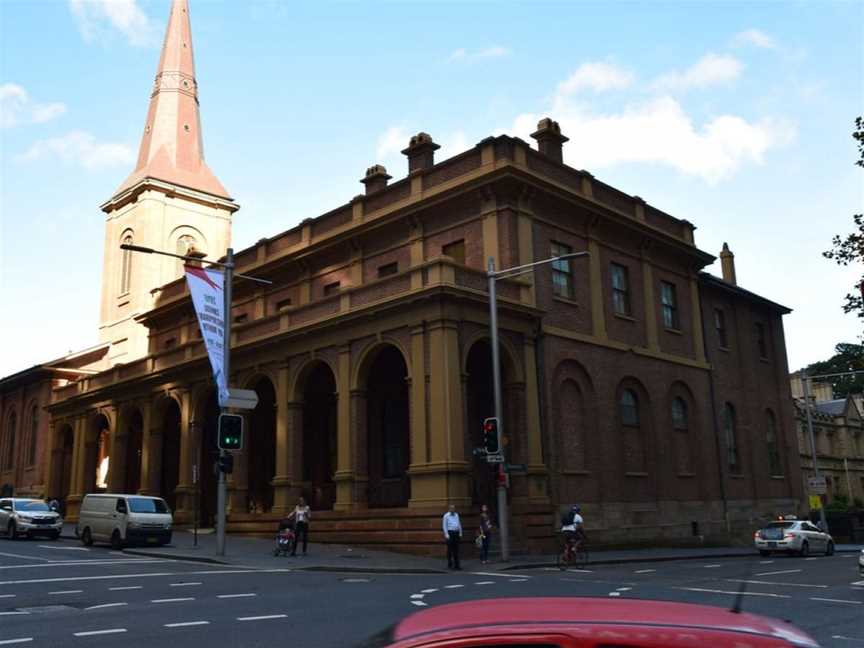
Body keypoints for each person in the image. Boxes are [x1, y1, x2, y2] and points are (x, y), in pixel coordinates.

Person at [442, 504, 463, 570]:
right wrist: (446, 535)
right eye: (451, 508)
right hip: (450, 533)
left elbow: (459, 524)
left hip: (456, 533)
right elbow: (444, 526)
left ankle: (457, 565)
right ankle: (450, 563)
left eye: (453, 508)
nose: (452, 509)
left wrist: (460, 533)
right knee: (450, 550)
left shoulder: (456, 515)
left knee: (456, 550)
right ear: (449, 509)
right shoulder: (446, 516)